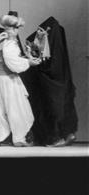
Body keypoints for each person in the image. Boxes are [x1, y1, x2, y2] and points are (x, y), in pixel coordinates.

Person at [0, 11, 41, 147]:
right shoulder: (9, 41)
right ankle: (20, 138)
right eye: (16, 28)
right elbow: (12, 62)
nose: (17, 31)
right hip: (7, 78)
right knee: (17, 106)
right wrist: (29, 62)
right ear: (12, 28)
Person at [23, 17, 78, 146]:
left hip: (50, 86)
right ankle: (64, 135)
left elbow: (44, 64)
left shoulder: (49, 44)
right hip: (56, 84)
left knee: (52, 108)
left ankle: (56, 137)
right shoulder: (55, 47)